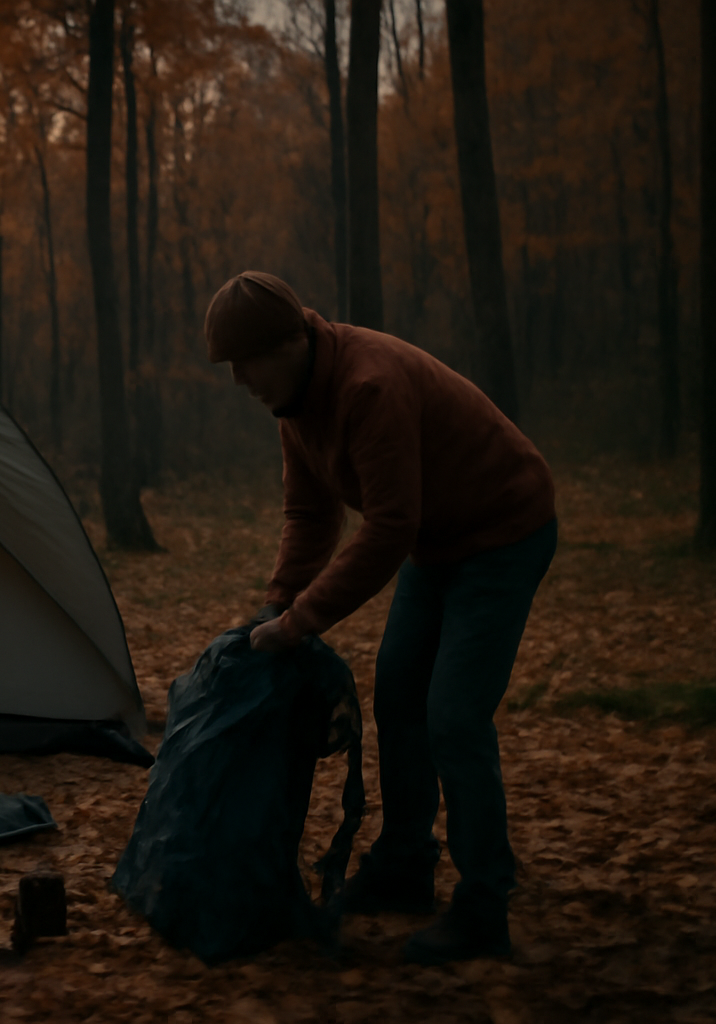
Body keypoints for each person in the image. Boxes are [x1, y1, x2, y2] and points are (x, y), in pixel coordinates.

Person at [205, 271, 557, 965]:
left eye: (246, 362)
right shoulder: (295, 404)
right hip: (438, 542)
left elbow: (390, 527)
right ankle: (405, 865)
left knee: (453, 716)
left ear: (290, 342)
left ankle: (484, 905)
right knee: (399, 694)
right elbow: (311, 515)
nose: (240, 379)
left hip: (505, 531)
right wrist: (278, 604)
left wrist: (302, 621)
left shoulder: (369, 385)